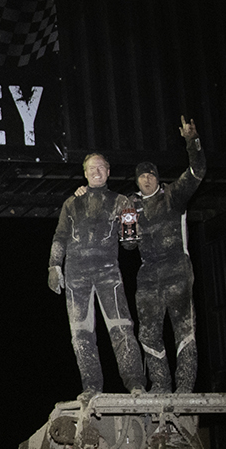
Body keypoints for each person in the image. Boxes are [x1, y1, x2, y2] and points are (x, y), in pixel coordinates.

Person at [47, 152, 146, 396]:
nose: (96, 172)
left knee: (121, 326)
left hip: (107, 273)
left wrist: (132, 234)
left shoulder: (120, 201)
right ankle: (91, 386)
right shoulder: (71, 202)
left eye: (101, 167)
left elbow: (129, 244)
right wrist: (53, 266)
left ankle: (135, 384)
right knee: (81, 333)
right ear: (85, 173)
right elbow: (60, 236)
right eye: (92, 168)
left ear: (108, 171)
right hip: (75, 275)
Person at [127, 116, 207, 393]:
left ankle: (184, 389)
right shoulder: (131, 205)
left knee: (183, 329)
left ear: (157, 178)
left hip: (177, 270)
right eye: (142, 175)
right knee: (148, 332)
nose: (147, 178)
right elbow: (127, 246)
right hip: (148, 274)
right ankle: (160, 384)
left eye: (151, 174)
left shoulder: (174, 195)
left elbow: (197, 170)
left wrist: (191, 141)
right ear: (137, 180)